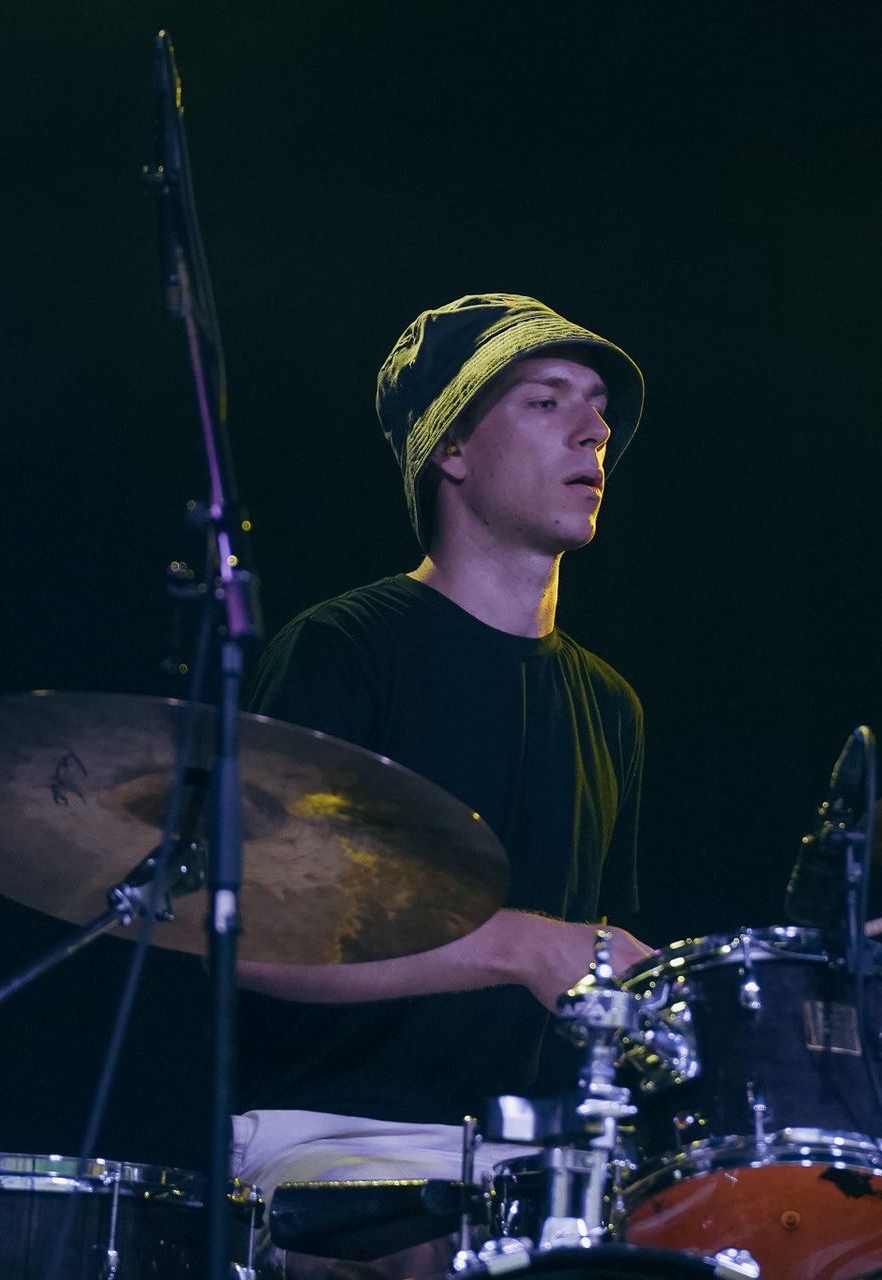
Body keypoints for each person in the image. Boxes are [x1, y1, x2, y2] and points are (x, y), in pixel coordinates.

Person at [232, 293, 655, 1280]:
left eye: (598, 407)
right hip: (325, 1144)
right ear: (451, 448)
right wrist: (522, 943)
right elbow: (249, 933)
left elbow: (579, 978)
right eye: (546, 400)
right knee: (415, 1251)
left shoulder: (612, 706)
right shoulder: (343, 649)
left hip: (529, 1161)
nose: (594, 430)